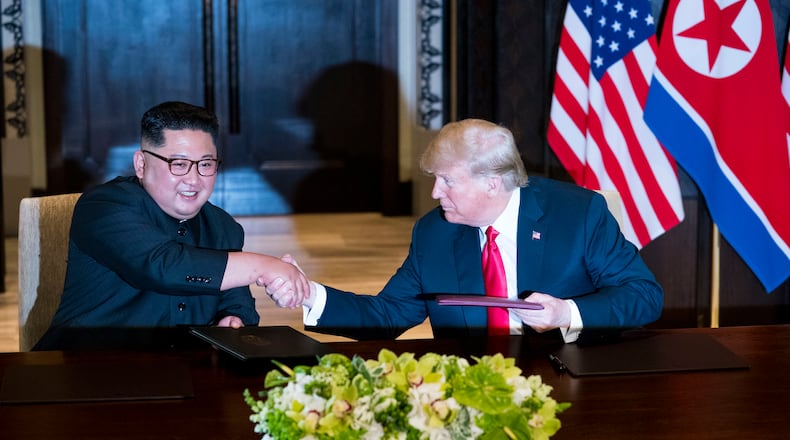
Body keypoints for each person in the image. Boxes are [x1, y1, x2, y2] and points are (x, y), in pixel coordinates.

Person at [267, 118, 663, 343]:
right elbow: (387, 315)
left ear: (493, 182)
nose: (436, 193)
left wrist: (567, 312)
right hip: (471, 391)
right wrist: (311, 294)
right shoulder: (433, 233)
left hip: (568, 380)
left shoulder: (579, 214)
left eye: (447, 181)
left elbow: (644, 296)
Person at [34, 101, 307, 350]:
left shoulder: (224, 226)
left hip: (184, 377)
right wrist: (267, 266)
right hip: (84, 371)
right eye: (178, 164)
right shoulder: (104, 206)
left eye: (206, 164)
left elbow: (238, 305)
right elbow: (162, 265)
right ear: (141, 164)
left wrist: (232, 320)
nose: (194, 179)